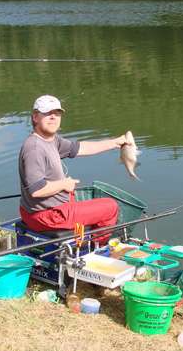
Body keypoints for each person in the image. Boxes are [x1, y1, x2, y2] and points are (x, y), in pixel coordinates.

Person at [18, 95, 127, 243]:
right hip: (45, 216)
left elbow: (81, 148)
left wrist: (115, 143)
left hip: (45, 211)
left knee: (78, 198)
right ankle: (98, 249)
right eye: (47, 113)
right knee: (110, 207)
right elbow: (37, 190)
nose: (53, 117)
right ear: (35, 117)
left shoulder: (51, 140)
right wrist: (64, 184)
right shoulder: (35, 148)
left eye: (57, 113)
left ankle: (88, 239)